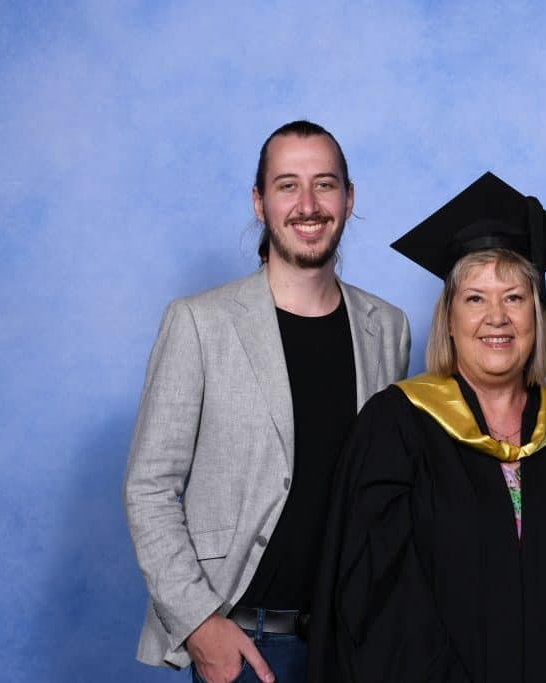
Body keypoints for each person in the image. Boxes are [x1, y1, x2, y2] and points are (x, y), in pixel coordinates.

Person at [308, 172, 546, 682]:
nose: (496, 317)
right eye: (475, 298)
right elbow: (377, 597)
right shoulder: (396, 428)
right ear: (449, 318)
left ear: (538, 316)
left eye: (515, 297)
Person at [123, 120, 410, 683]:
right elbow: (148, 488)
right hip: (248, 648)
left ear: (349, 199)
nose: (308, 205)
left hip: (353, 641)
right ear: (260, 202)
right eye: (287, 186)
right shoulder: (200, 322)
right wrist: (200, 623)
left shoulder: (387, 328)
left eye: (324, 184)